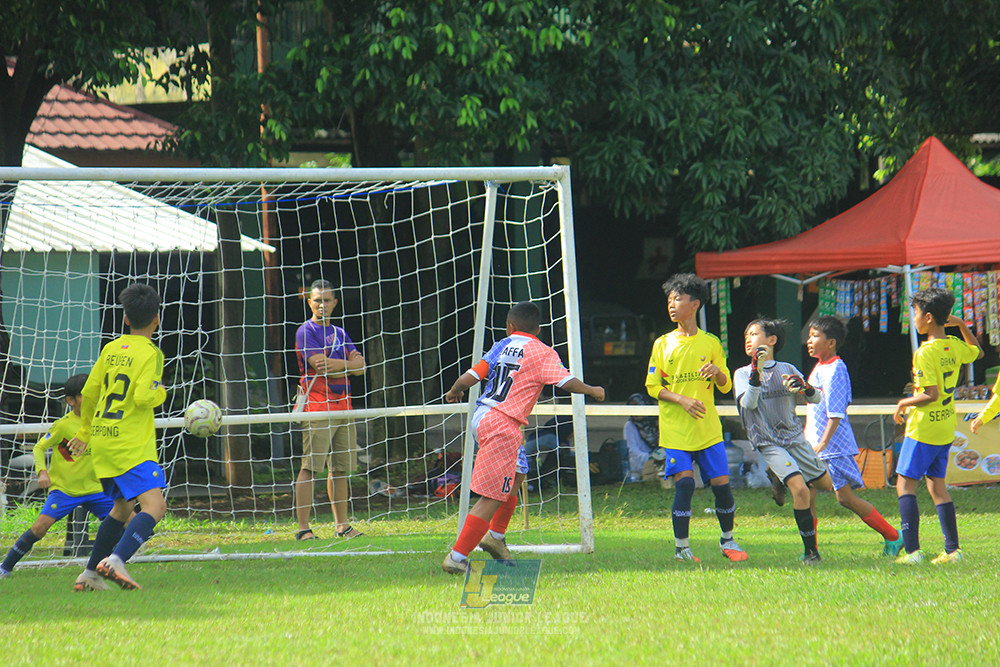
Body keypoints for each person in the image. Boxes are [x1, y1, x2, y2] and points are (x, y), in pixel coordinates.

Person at [441, 301, 604, 573]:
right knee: (493, 496)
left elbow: (474, 374)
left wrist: (455, 388)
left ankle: (496, 537)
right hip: (502, 423)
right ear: (538, 329)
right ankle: (456, 558)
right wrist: (592, 389)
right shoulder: (543, 352)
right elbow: (565, 382)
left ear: (510, 327)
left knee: (517, 475)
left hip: (485, 415)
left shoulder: (501, 345)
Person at [68, 283, 169, 591]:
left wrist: (84, 432)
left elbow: (88, 392)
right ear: (156, 319)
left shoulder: (111, 349)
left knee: (121, 508)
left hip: (102, 440)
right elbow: (142, 397)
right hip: (129, 445)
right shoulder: (152, 353)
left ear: (126, 319)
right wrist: (161, 393)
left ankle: (89, 575)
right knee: (155, 506)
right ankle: (117, 560)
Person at [646, 273, 747, 563]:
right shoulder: (662, 344)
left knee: (722, 486)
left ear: (695, 304)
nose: (672, 305)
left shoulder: (711, 343)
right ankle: (682, 548)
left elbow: (726, 385)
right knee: (686, 484)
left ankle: (728, 540)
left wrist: (718, 373)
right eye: (669, 300)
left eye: (677, 299)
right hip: (676, 430)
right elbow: (653, 387)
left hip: (708, 430)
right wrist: (682, 399)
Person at [892, 288, 982, 565]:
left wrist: (903, 402)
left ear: (928, 317)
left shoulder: (924, 353)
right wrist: (962, 325)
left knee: (904, 486)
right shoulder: (954, 345)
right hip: (945, 427)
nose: (914, 319)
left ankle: (912, 553)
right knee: (937, 488)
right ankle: (952, 551)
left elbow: (930, 394)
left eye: (916, 313)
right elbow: (977, 353)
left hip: (924, 429)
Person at [805, 315, 905, 557]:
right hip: (815, 443)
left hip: (833, 447)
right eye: (809, 336)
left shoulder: (837, 369)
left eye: (815, 336)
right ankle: (811, 550)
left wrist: (822, 444)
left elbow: (836, 413)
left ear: (831, 343)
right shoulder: (819, 367)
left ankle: (893, 536)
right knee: (806, 493)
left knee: (845, 499)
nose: (809, 341)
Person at [0, 375, 114, 578]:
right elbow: (39, 447)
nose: (90, 399)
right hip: (65, 491)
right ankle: (5, 567)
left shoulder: (101, 421)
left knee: (127, 520)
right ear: (70, 400)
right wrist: (42, 472)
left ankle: (113, 564)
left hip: (96, 489)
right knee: (40, 527)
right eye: (83, 395)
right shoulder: (63, 425)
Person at [293, 279, 366, 540]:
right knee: (310, 466)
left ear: (335, 303)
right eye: (317, 300)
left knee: (340, 469)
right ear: (309, 302)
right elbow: (321, 366)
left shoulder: (341, 333)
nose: (322, 305)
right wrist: (347, 363)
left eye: (327, 300)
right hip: (317, 405)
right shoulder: (306, 331)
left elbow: (361, 368)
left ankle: (342, 526)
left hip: (343, 405)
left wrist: (345, 365)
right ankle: (304, 528)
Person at [523, 415, 573, 489]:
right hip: (528, 467)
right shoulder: (550, 438)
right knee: (562, 457)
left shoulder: (544, 433)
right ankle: (533, 486)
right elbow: (567, 455)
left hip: (528, 463)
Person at [623, 392, 663, 482]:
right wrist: (649, 457)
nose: (635, 413)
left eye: (638, 408)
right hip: (642, 464)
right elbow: (632, 449)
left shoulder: (657, 422)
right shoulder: (630, 425)